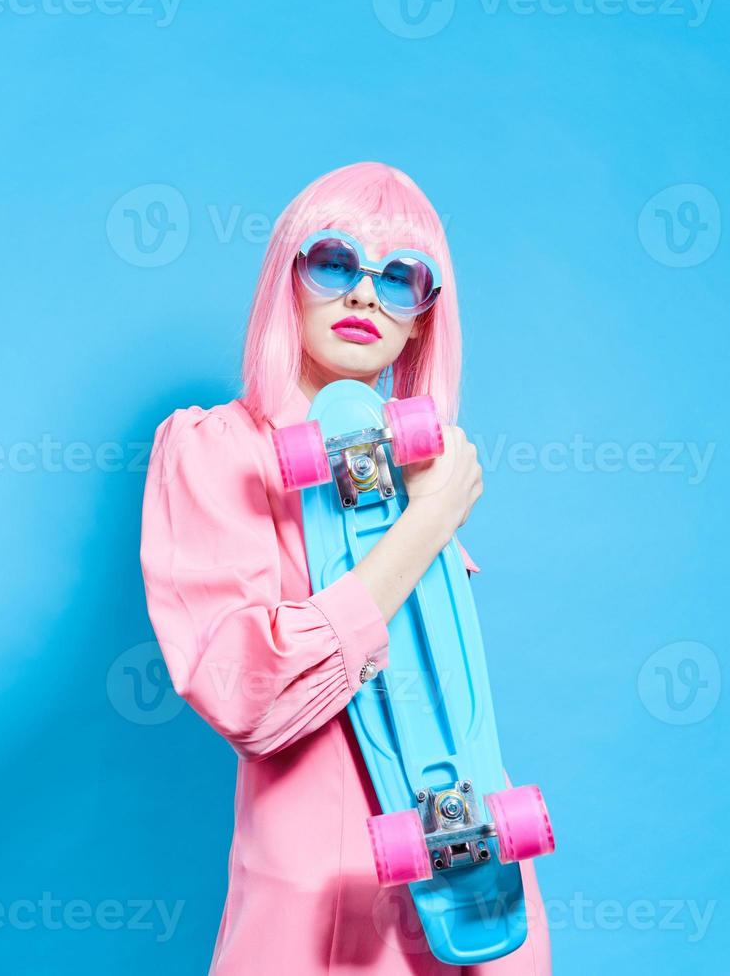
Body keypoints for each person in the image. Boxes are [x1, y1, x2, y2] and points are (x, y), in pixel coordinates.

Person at [140, 162, 550, 974]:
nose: (366, 295)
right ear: (286, 280)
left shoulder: (417, 464)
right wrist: (430, 523)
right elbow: (244, 694)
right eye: (335, 261)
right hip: (319, 923)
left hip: (477, 901)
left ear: (424, 321)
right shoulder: (216, 451)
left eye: (403, 277)